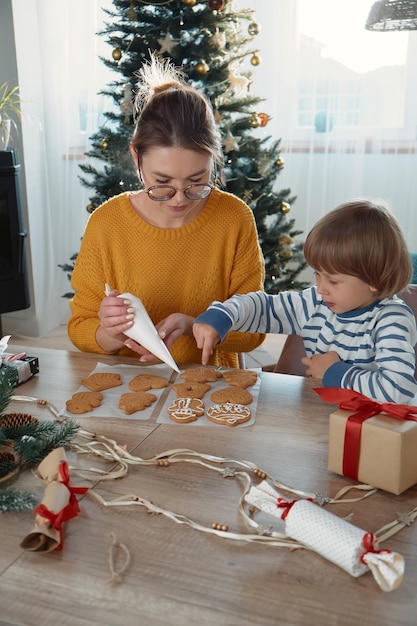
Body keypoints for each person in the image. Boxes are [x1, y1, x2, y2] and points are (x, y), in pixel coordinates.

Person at [67, 54, 265, 368]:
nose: (179, 200)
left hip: (210, 388)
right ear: (136, 158)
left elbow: (255, 328)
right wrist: (108, 332)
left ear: (213, 160)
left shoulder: (233, 218)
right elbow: (80, 328)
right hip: (128, 390)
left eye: (197, 181)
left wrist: (198, 324)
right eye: (161, 183)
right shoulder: (107, 223)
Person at [193, 199, 417, 404]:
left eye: (333, 281)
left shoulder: (390, 320)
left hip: (371, 433)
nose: (320, 288)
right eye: (317, 274)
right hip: (320, 418)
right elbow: (265, 308)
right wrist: (224, 315)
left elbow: (398, 390)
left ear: (374, 279)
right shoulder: (316, 302)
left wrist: (334, 372)